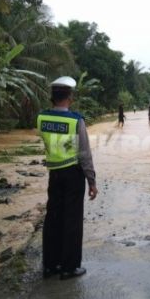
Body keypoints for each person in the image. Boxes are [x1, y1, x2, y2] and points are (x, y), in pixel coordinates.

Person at [37, 76, 98, 280]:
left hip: (54, 173)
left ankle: (50, 265)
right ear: (70, 97)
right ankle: (69, 267)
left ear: (52, 98)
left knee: (53, 217)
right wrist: (92, 181)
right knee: (71, 219)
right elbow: (84, 154)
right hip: (73, 173)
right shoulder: (75, 121)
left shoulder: (42, 118)